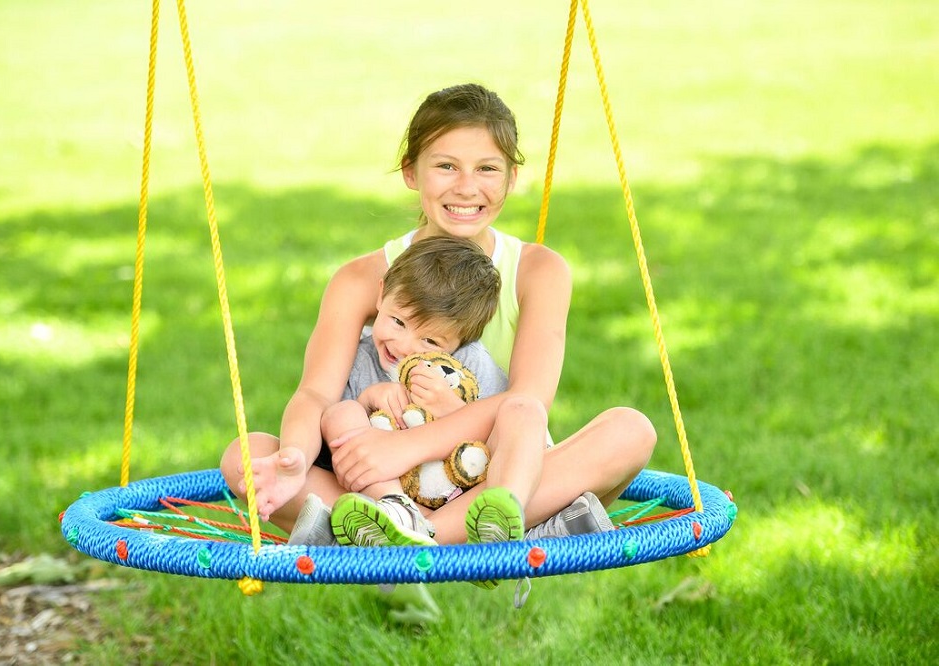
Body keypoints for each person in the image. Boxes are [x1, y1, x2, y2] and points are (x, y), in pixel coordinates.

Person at [220, 83, 656, 582]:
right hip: (371, 480)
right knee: (246, 454)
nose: (467, 187)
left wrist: (408, 446)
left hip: (492, 473)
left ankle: (407, 535)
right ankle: (480, 533)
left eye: (488, 168)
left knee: (631, 430)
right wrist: (295, 458)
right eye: (446, 165)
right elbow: (316, 392)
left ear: (512, 177)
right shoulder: (361, 280)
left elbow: (528, 402)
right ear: (411, 171)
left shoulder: (537, 271)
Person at [316, 235, 513, 548]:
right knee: (341, 413)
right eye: (398, 321)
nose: (405, 347)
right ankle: (397, 511)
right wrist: (366, 402)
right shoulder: (359, 359)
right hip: (377, 491)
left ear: (461, 341)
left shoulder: (469, 364)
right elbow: (330, 445)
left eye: (431, 341)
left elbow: (504, 439)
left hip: (454, 494)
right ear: (381, 295)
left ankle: (419, 528)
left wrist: (455, 410)